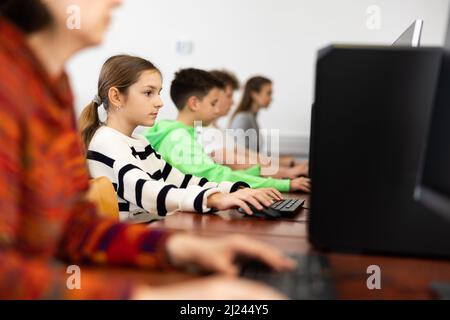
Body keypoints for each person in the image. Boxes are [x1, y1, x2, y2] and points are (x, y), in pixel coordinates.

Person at [0, 0, 296, 300]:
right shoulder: (9, 87)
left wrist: (183, 248)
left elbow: (75, 228)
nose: (117, 2)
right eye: (148, 93)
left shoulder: (51, 87)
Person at [80, 55, 283, 223]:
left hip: (153, 231)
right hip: (131, 244)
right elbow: (148, 192)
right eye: (148, 93)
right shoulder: (106, 141)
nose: (159, 102)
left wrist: (234, 189)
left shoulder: (140, 142)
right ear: (116, 97)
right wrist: (215, 198)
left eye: (158, 93)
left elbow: (182, 181)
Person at [145, 68, 311, 193]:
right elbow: (216, 176)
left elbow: (220, 172)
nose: (218, 111)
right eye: (213, 103)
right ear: (194, 103)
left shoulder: (188, 133)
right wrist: (285, 183)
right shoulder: (178, 138)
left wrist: (260, 171)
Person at [203, 70, 309, 179]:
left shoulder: (218, 129)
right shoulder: (240, 120)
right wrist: (286, 171)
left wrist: (286, 164)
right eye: (229, 96)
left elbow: (245, 154)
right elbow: (237, 162)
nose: (233, 102)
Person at [229, 76, 299, 168]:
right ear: (254, 94)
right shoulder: (242, 119)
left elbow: (253, 154)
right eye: (268, 93)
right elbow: (240, 156)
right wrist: (280, 162)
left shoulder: (252, 118)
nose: (271, 98)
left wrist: (279, 159)